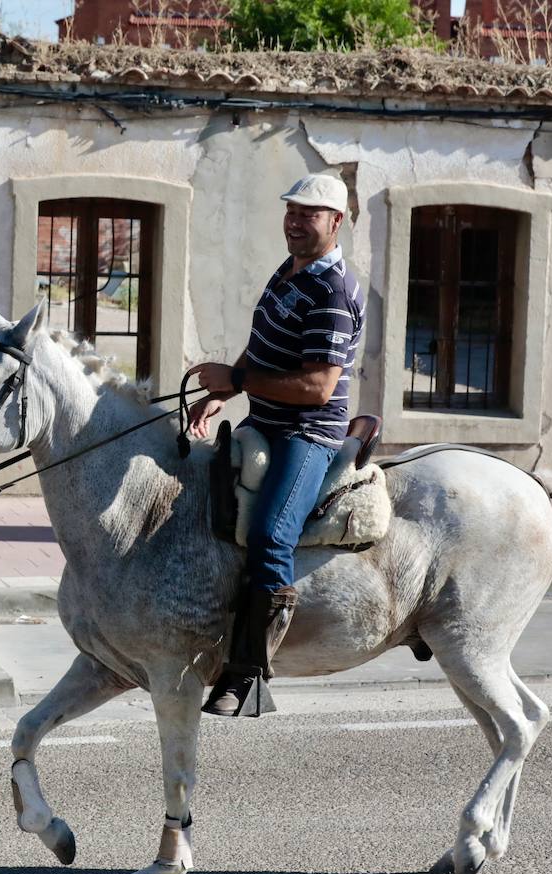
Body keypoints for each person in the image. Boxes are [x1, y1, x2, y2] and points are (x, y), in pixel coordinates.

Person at [187, 173, 365, 716]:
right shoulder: (288, 271)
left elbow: (318, 388)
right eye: (291, 210)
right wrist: (225, 389)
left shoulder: (332, 289)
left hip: (307, 433)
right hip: (262, 419)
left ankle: (248, 673)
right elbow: (261, 348)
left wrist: (237, 382)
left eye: (309, 214)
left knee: (268, 535)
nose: (294, 220)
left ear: (336, 223)